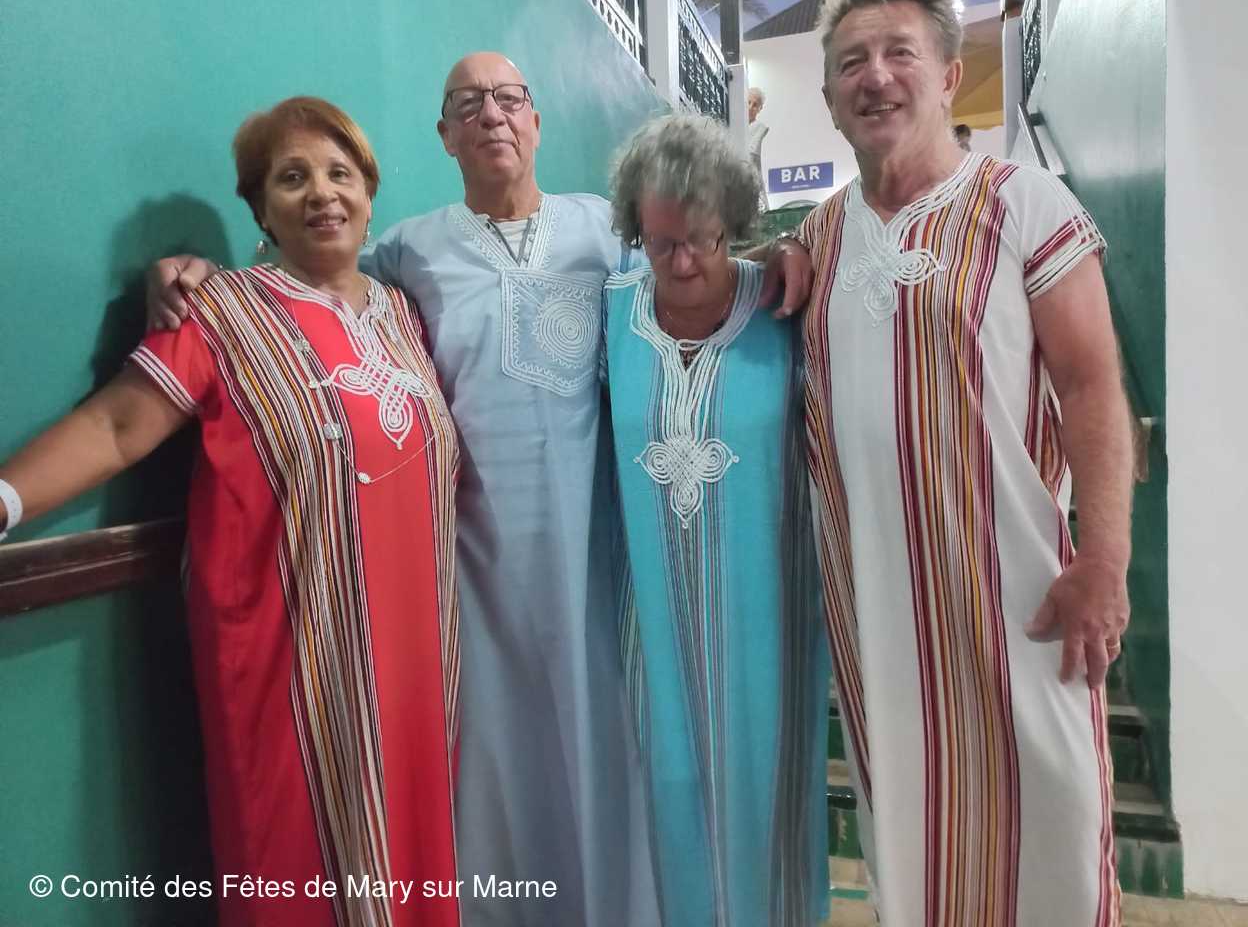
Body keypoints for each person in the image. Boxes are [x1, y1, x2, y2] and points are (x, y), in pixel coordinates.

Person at [148, 53, 813, 927]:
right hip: (474, 573)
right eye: (467, 104)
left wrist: (778, 250)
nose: (490, 114)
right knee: (494, 774)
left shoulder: (601, 228)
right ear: (445, 136)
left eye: (507, 98)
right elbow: (315, 278)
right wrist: (196, 273)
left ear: (535, 119)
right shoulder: (408, 252)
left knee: (609, 761)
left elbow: (686, 259)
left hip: (599, 565)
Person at [0, 97, 463, 926]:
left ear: (369, 195)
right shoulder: (222, 314)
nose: (321, 193)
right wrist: (5, 497)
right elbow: (115, 426)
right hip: (292, 666)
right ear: (259, 210)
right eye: (292, 178)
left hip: (416, 663)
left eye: (340, 174)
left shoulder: (405, 317)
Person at [797, 0, 1132, 925]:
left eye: (899, 53)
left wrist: (1105, 560)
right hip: (880, 623)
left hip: (1023, 602)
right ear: (829, 99)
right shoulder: (817, 239)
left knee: (1056, 838)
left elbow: (1091, 387)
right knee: (913, 853)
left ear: (949, 75)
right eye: (852, 62)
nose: (875, 76)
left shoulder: (1028, 205)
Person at [602, 114, 831, 927]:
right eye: (660, 243)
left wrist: (789, 246)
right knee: (659, 790)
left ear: (732, 225)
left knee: (767, 791)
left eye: (700, 240)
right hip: (648, 623)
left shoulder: (784, 309)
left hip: (766, 619)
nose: (682, 262)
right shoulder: (610, 316)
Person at [747, 86, 770, 211]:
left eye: (755, 105)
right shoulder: (733, 123)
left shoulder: (759, 128)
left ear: (760, 109)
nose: (750, 107)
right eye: (748, 102)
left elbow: (750, 159)